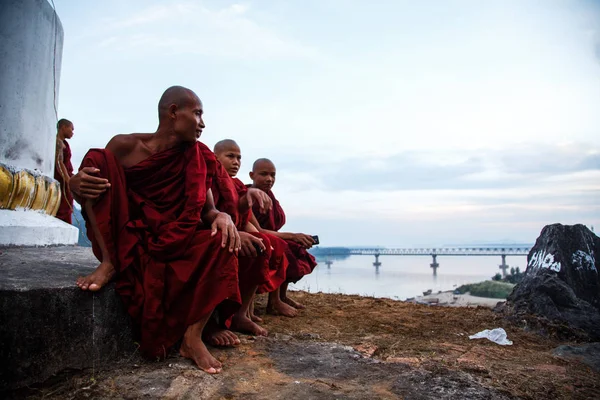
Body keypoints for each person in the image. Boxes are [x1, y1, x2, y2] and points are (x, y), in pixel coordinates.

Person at [69, 86, 242, 374]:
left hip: (175, 242)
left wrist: (221, 215)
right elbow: (99, 194)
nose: (203, 123)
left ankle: (192, 337)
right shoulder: (125, 146)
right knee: (97, 161)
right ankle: (110, 263)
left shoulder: (196, 157)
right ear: (174, 112)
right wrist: (75, 185)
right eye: (197, 113)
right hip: (130, 240)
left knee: (222, 241)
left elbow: (207, 210)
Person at [213, 140, 298, 319]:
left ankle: (245, 313)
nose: (236, 162)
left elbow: (247, 223)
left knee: (265, 244)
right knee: (260, 245)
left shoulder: (239, 188)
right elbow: (208, 213)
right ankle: (234, 314)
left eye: (239, 158)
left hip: (238, 231)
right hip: (217, 232)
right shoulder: (210, 181)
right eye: (230, 156)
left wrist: (257, 237)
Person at [248, 158, 317, 310]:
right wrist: (292, 235)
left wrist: (296, 238)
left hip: (271, 235)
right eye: (264, 174)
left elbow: (275, 224)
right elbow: (258, 230)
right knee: (283, 248)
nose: (269, 179)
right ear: (252, 175)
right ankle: (274, 302)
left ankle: (282, 296)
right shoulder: (247, 195)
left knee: (295, 248)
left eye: (273, 175)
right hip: (255, 236)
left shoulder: (270, 196)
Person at [54, 118, 74, 223]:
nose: (72, 132)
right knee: (63, 206)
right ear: (64, 127)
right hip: (62, 179)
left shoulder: (64, 143)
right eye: (71, 129)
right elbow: (59, 163)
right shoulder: (58, 142)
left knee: (68, 205)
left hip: (67, 175)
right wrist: (67, 180)